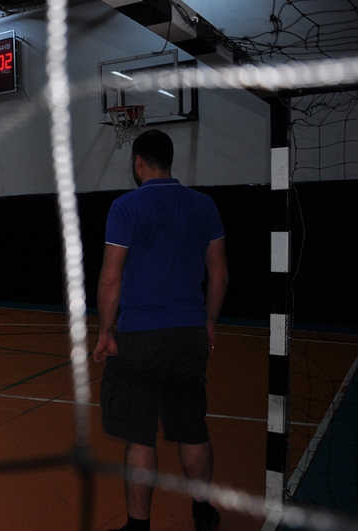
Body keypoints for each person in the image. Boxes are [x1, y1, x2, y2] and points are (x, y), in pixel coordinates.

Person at [92, 130, 229, 531]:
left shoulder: (125, 208)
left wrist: (105, 332)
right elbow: (219, 274)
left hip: (141, 337)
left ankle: (138, 527)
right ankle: (203, 513)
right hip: (190, 335)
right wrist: (209, 323)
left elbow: (111, 279)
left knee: (140, 436)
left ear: (137, 162)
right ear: (170, 161)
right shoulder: (204, 205)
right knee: (192, 429)